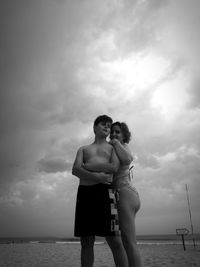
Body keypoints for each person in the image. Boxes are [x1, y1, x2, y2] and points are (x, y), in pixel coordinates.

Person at [72, 115, 128, 267]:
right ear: (94, 127)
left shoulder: (112, 148)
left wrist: (87, 166)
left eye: (109, 125)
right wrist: (96, 176)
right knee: (86, 241)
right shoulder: (83, 149)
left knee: (115, 239)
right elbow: (75, 169)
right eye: (103, 124)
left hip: (106, 193)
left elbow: (113, 168)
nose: (107, 127)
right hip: (85, 194)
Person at [84, 121, 141, 267]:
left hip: (125, 193)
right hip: (117, 196)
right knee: (114, 238)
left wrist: (115, 143)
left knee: (128, 240)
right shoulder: (114, 148)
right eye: (113, 132)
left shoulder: (121, 146)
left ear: (124, 135)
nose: (114, 134)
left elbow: (128, 159)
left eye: (118, 132)